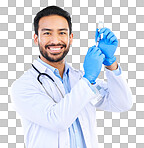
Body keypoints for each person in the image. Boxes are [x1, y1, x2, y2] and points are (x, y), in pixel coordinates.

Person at [10, 6, 133, 148]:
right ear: (36, 38)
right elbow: (57, 120)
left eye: (62, 33)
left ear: (70, 38)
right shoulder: (23, 85)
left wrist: (111, 63)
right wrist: (88, 80)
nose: (55, 40)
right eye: (47, 33)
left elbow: (122, 103)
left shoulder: (80, 78)